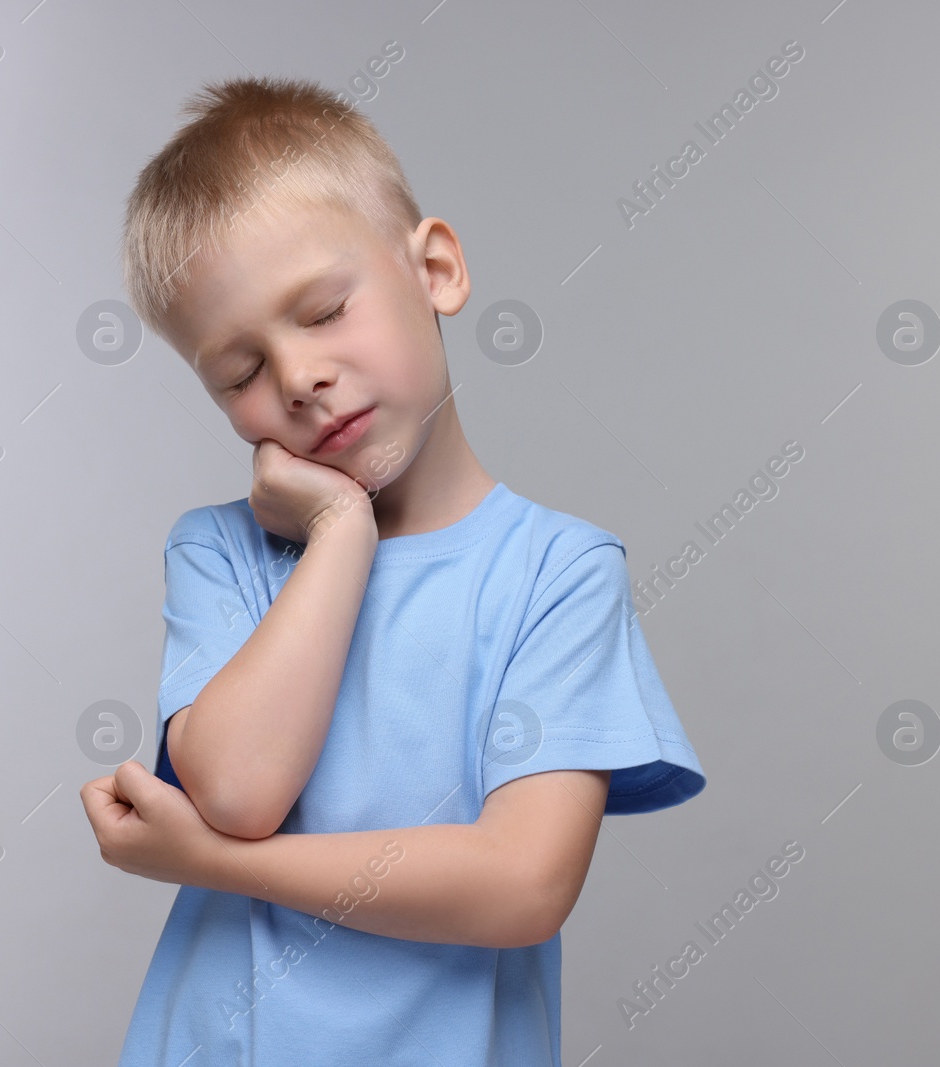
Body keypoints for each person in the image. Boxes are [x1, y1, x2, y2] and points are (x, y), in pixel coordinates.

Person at [80, 74, 707, 1066]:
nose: (297, 379)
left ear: (437, 270)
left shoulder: (556, 573)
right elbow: (240, 786)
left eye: (324, 309)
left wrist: (204, 861)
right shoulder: (218, 553)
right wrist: (340, 533)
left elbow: (522, 883)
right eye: (239, 373)